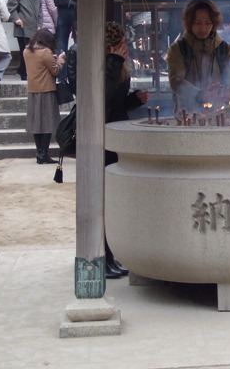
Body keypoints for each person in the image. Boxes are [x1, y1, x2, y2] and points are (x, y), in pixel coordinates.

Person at [105, 21, 148, 277]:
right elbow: (102, 96)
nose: (123, 50)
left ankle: (112, 256)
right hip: (101, 137)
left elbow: (118, 102)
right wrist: (112, 60)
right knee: (104, 200)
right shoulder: (107, 65)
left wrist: (134, 99)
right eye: (117, 46)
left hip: (117, 134)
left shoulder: (119, 66)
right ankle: (102, 255)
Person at [166, 0, 230, 113]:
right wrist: (200, 95)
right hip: (187, 116)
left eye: (208, 23)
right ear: (190, 23)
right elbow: (176, 81)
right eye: (198, 23)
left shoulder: (225, 49)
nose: (203, 28)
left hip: (218, 116)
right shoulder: (178, 49)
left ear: (214, 23)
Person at [23, 28, 66, 164]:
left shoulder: (26, 51)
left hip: (33, 90)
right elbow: (55, 71)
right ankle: (44, 153)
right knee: (47, 122)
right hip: (46, 90)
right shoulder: (45, 52)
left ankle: (39, 152)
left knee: (37, 123)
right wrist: (60, 60)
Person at [7, 0, 43, 81]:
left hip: (34, 28)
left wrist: (40, 25)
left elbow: (40, 12)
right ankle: (24, 72)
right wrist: (16, 19)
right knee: (25, 51)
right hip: (22, 27)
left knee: (32, 51)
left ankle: (24, 70)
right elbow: (11, 7)